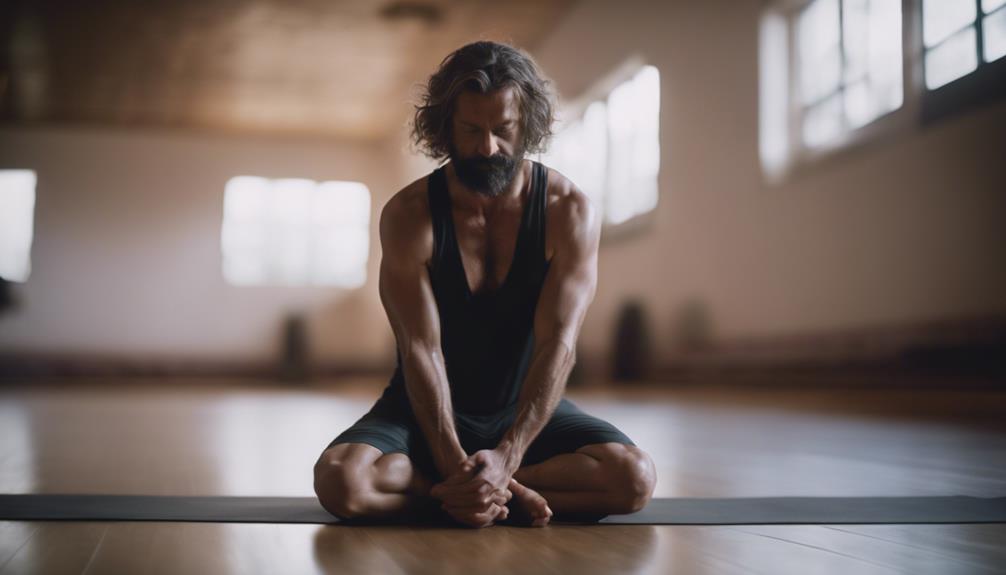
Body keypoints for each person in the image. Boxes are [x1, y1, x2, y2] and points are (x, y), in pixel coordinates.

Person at [314, 41, 656, 528]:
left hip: (525, 408)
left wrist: (510, 456)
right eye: (471, 130)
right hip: (424, 407)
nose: (487, 148)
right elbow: (419, 349)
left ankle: (463, 495)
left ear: (528, 125)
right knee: (340, 482)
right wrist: (456, 461)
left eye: (504, 130)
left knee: (634, 478)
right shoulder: (410, 215)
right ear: (445, 127)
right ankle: (486, 494)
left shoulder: (568, 211)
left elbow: (558, 345)